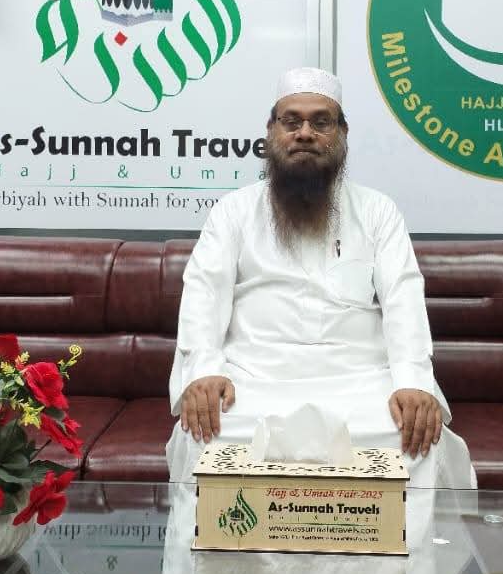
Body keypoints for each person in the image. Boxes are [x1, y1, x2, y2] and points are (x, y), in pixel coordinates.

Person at [165, 66, 475, 492]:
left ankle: (395, 543)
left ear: (342, 133)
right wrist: (203, 372)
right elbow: (204, 293)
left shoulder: (377, 211)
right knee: (205, 434)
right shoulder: (233, 211)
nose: (305, 133)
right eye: (291, 121)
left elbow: (403, 297)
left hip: (360, 380)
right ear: (271, 132)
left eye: (321, 122)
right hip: (254, 377)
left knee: (413, 437)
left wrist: (412, 383)